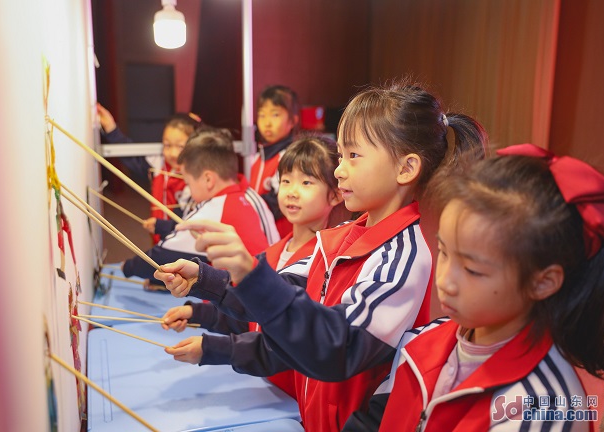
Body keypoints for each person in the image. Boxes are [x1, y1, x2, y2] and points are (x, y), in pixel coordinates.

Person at [154, 81, 488, 431]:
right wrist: (205, 278)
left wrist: (250, 274)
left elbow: (338, 346)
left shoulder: (403, 255)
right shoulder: (338, 238)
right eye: (341, 156)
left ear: (406, 169)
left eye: (353, 156)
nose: (340, 170)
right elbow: (281, 293)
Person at [343, 144, 604, 431]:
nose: (445, 281)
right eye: (444, 252)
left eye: (472, 270)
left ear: (542, 282)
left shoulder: (542, 410)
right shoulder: (423, 341)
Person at [160, 135, 346, 398]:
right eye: (286, 181)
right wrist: (197, 313)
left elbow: (291, 343)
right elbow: (252, 312)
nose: (292, 191)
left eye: (307, 182)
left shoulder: (325, 262)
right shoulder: (274, 252)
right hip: (266, 386)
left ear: (336, 194)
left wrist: (213, 349)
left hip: (296, 397)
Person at [121, 128, 270, 281]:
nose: (190, 192)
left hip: (247, 292)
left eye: (189, 183)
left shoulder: (212, 210)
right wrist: (163, 226)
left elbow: (161, 257)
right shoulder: (252, 197)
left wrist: (127, 267)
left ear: (208, 179)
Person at [97, 103, 201, 242]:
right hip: (158, 235)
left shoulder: (197, 177)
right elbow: (131, 157)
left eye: (181, 146)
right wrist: (111, 129)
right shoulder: (158, 164)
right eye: (167, 145)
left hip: (183, 240)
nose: (173, 153)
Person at [251, 85, 300, 238]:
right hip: (261, 237)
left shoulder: (289, 157)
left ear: (293, 121)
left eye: (275, 115)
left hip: (282, 238)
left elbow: (277, 203)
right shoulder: (256, 158)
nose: (267, 123)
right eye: (262, 115)